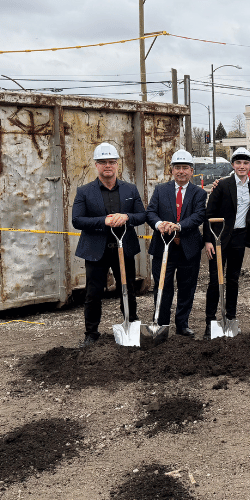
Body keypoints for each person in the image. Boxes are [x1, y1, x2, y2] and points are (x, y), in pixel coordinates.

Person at [72, 143, 146, 347]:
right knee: (93, 292)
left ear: (117, 164)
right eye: (103, 162)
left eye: (111, 162)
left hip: (124, 248)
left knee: (127, 289)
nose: (108, 166)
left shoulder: (130, 189)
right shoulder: (84, 191)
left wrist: (127, 217)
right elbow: (77, 220)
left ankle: (131, 325)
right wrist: (103, 220)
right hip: (96, 250)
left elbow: (141, 216)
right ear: (96, 165)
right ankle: (91, 333)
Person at [145, 150, 207, 337]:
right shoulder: (160, 190)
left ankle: (182, 324)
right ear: (171, 170)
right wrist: (159, 224)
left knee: (187, 288)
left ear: (191, 171)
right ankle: (162, 325)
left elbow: (198, 216)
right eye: (177, 168)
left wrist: (178, 226)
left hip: (189, 249)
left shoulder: (199, 193)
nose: (181, 171)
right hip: (163, 247)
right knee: (162, 287)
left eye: (185, 168)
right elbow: (150, 213)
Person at [202, 147, 250, 339]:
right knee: (214, 280)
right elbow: (209, 214)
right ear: (233, 165)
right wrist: (208, 241)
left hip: (239, 238)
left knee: (233, 280)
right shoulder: (223, 185)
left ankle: (230, 318)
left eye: (245, 163)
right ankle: (210, 322)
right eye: (238, 163)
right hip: (219, 239)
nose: (242, 166)